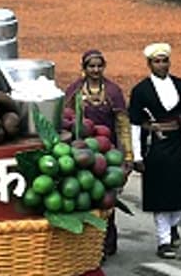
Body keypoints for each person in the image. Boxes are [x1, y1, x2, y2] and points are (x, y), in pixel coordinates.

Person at [129, 42, 181, 260]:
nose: (161, 65)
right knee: (160, 196)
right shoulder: (140, 91)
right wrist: (137, 155)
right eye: (157, 62)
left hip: (179, 146)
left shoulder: (180, 86)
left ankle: (173, 225)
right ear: (149, 64)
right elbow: (134, 125)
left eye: (164, 61)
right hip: (155, 148)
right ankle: (163, 241)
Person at [63, 49, 133, 258]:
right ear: (83, 68)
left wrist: (128, 155)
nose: (95, 70)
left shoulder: (112, 92)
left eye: (99, 66)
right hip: (82, 153)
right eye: (91, 66)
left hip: (107, 153)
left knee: (106, 199)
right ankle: (84, 247)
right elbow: (65, 119)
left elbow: (123, 125)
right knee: (84, 198)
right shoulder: (74, 90)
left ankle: (106, 244)